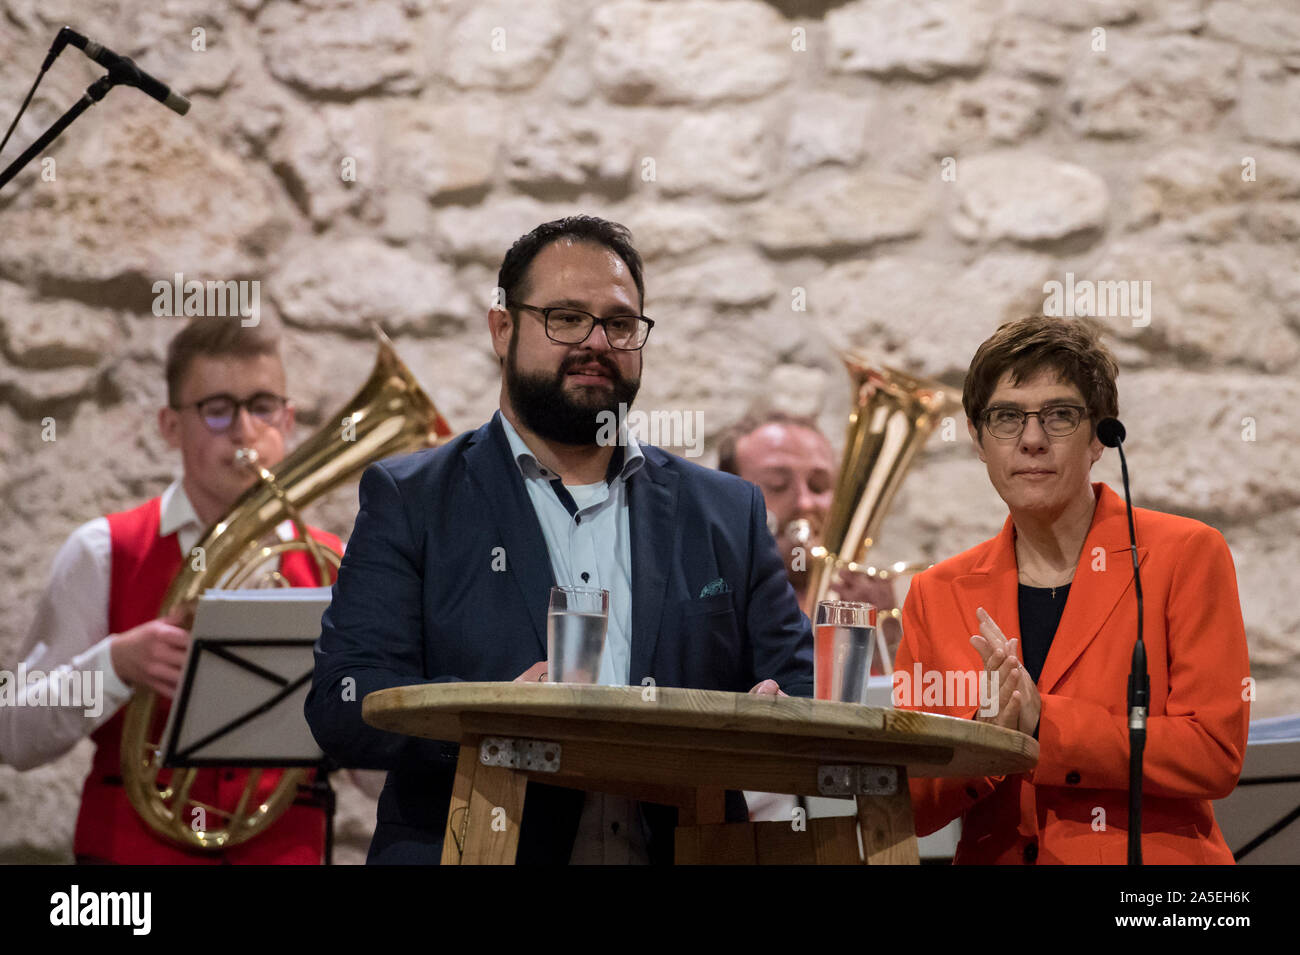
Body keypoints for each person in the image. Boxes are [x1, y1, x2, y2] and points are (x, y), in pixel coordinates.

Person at [306, 215, 813, 864]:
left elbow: (796, 682)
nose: (596, 341)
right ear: (502, 329)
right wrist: (489, 724)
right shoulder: (413, 498)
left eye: (620, 323)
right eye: (566, 317)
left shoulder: (726, 508)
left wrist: (768, 717)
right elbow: (343, 703)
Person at [893, 315, 1250, 864]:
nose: (1032, 440)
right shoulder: (935, 593)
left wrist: (1045, 723)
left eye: (1059, 416)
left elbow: (1212, 754)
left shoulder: (1186, 554)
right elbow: (913, 804)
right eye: (1006, 417)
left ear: (1100, 436)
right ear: (977, 439)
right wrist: (986, 742)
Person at [0, 316, 342, 864]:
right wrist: (114, 665)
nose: (244, 431)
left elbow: (378, 774)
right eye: (216, 409)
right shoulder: (104, 551)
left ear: (289, 420)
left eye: (262, 406)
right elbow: (14, 735)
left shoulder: (335, 566)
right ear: (169, 427)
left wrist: (364, 698)